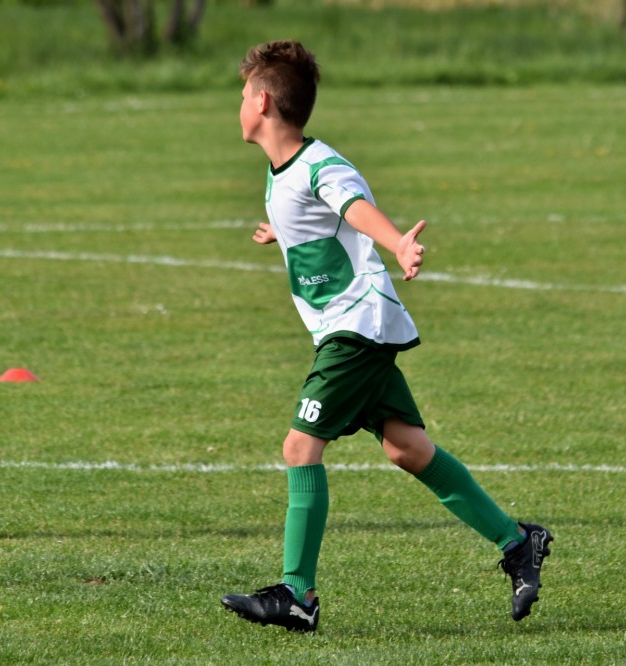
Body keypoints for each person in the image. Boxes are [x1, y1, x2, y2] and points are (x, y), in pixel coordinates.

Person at [220, 40, 552, 632]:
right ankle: (517, 541)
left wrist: (397, 241)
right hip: (350, 327)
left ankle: (297, 593)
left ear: (263, 102)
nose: (240, 104)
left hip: (355, 326)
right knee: (407, 449)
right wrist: (284, 232)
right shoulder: (284, 170)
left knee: (300, 447)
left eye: (244, 94)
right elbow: (319, 218)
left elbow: (352, 206)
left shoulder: (321, 165)